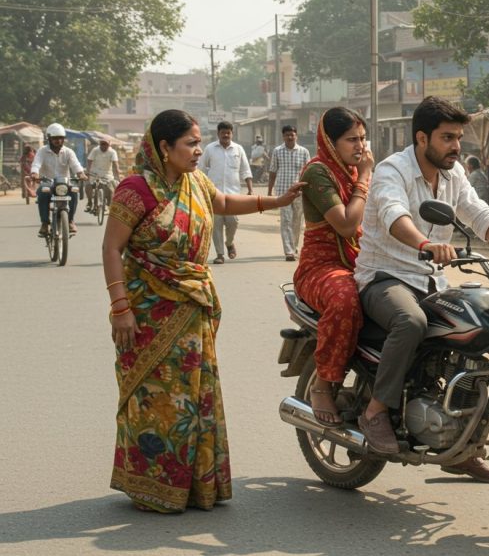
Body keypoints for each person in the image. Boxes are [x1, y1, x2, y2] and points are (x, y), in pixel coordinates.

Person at [101, 109, 304, 513]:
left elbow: (224, 201)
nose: (198, 150)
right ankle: (151, 486)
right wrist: (120, 307)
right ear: (164, 147)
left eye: (198, 142)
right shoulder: (136, 189)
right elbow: (111, 249)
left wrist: (276, 200)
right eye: (190, 144)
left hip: (192, 308)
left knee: (194, 399)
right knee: (153, 401)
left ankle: (195, 486)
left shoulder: (195, 182)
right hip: (145, 315)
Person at [355, 96, 489, 482]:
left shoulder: (453, 174)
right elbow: (393, 214)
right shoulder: (391, 170)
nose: (456, 146)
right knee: (410, 321)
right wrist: (425, 244)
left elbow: (480, 216)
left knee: (485, 325)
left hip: (430, 281)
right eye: (447, 137)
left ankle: (461, 444)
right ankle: (377, 410)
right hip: (386, 276)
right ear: (421, 137)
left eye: (459, 137)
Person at [293, 108, 372, 425]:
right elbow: (346, 226)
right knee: (345, 299)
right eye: (352, 140)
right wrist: (365, 178)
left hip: (362, 261)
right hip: (321, 269)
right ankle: (323, 385)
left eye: (363, 139)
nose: (361, 147)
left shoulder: (354, 171)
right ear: (330, 141)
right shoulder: (317, 172)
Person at [200, 121, 253, 264]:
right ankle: (219, 254)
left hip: (233, 194)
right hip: (214, 193)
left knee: (233, 222)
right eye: (223, 132)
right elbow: (201, 169)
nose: (225, 135)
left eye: (228, 132)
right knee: (216, 224)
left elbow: (245, 170)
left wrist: (250, 189)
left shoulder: (238, 149)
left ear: (232, 133)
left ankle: (229, 242)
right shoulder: (210, 149)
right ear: (218, 134)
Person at [31, 123, 87, 236]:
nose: (58, 141)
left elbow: (76, 165)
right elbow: (36, 164)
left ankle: (70, 220)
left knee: (74, 191)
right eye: (55, 138)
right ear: (49, 138)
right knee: (42, 193)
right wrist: (34, 173)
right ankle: (45, 223)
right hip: (47, 183)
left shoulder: (68, 152)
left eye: (61, 138)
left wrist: (81, 174)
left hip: (64, 183)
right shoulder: (42, 151)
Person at [268, 125, 312, 261]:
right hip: (283, 191)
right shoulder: (277, 151)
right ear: (283, 137)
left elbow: (308, 172)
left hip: (299, 193)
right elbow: (273, 171)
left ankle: (293, 245)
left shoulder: (304, 152)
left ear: (296, 136)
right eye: (287, 135)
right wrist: (269, 191)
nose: (289, 137)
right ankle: (289, 251)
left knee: (297, 221)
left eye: (292, 134)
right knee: (286, 221)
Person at [85, 138, 121, 213]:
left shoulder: (112, 152)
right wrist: (88, 171)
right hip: (94, 173)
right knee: (88, 185)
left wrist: (118, 175)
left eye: (106, 144)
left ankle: (108, 205)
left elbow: (115, 164)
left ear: (109, 145)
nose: (104, 146)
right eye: (102, 144)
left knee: (111, 188)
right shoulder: (95, 150)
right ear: (99, 144)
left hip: (107, 174)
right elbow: (89, 160)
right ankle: (89, 202)